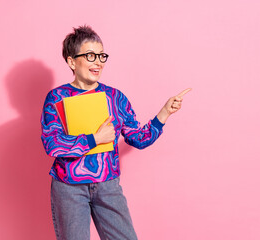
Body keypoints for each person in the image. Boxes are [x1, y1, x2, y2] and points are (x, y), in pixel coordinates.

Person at [41, 25, 191, 240]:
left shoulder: (115, 97)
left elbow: (139, 139)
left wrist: (164, 113)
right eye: (90, 55)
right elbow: (53, 145)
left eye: (101, 55)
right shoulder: (56, 98)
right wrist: (95, 139)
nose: (99, 62)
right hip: (69, 188)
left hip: (107, 185)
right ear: (71, 61)